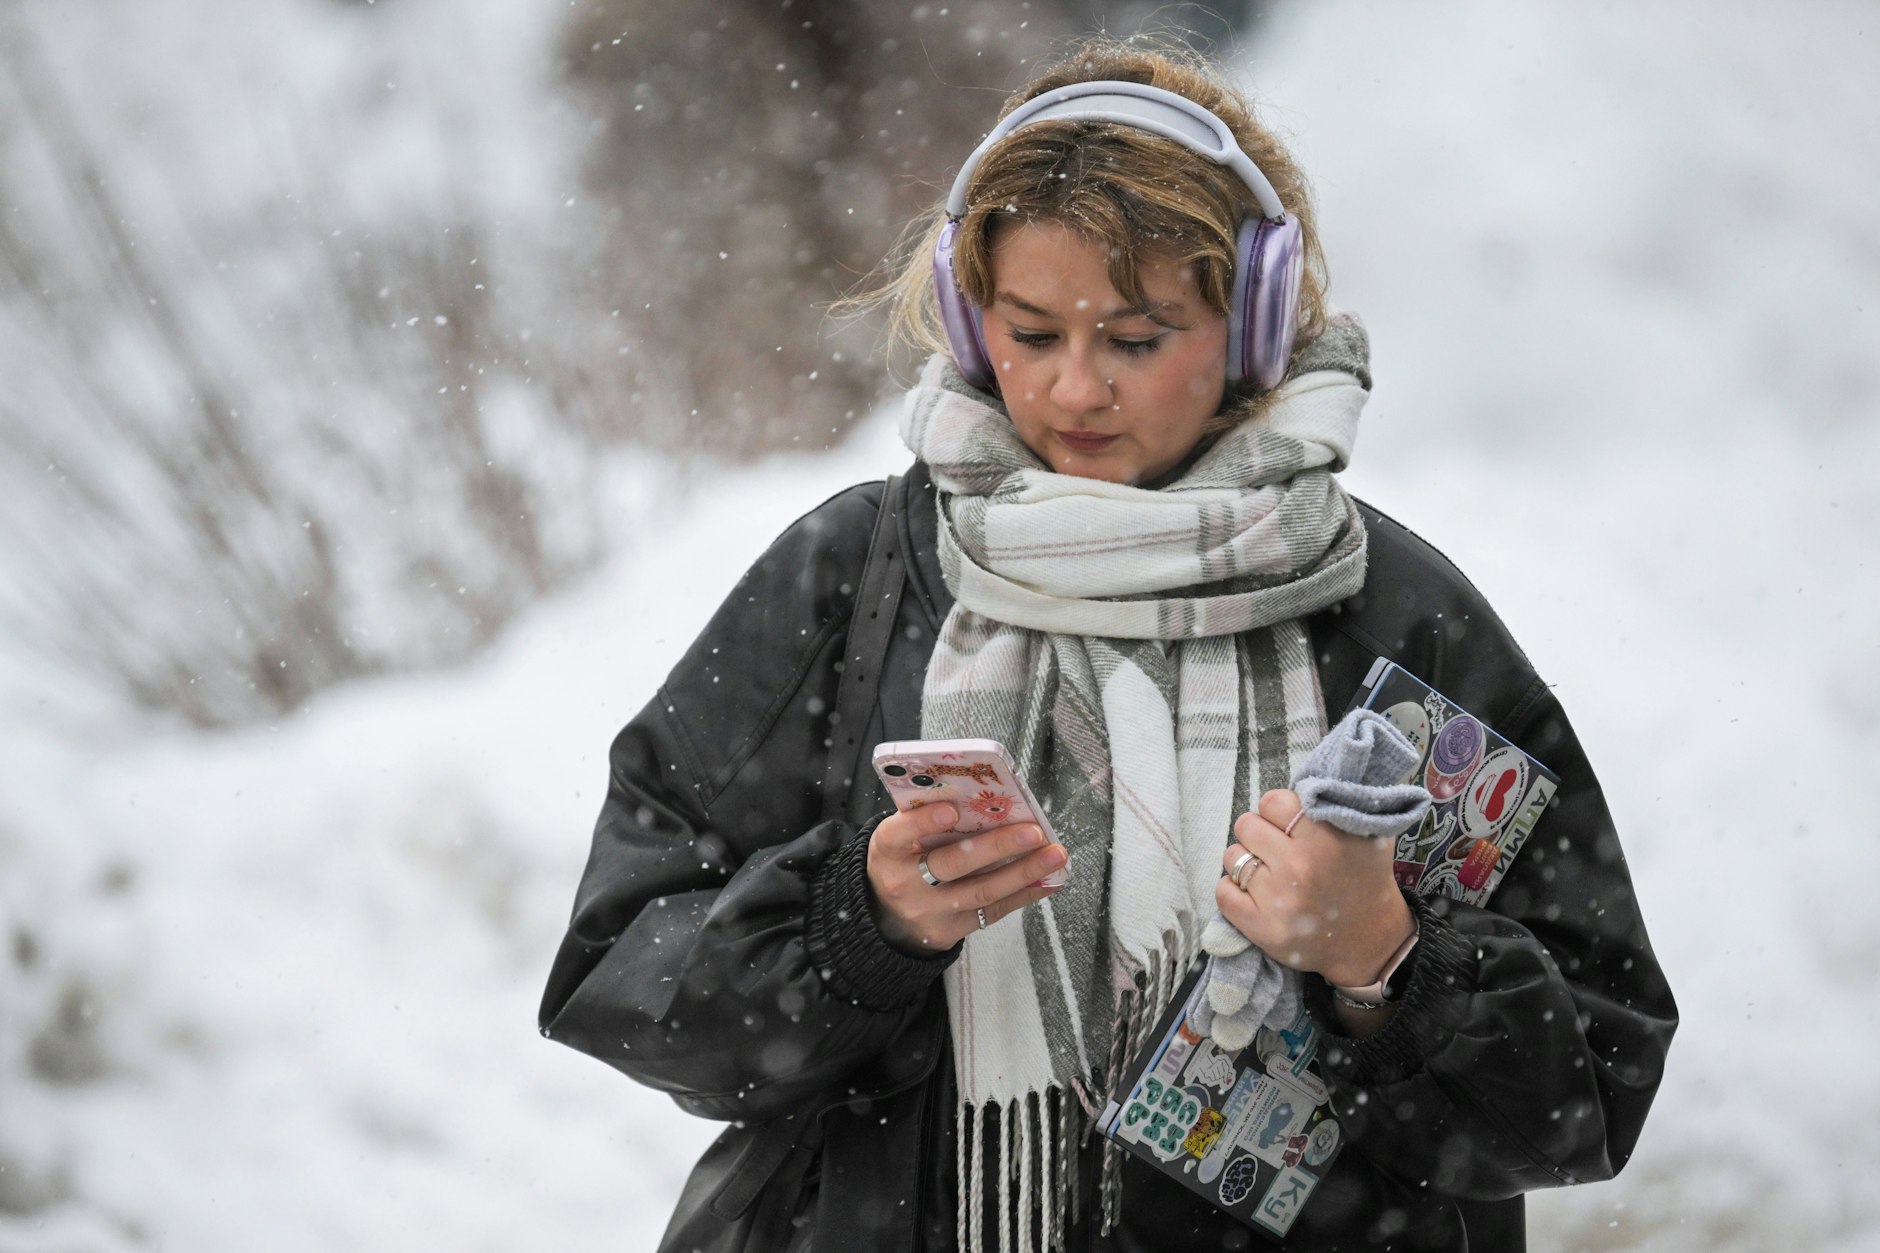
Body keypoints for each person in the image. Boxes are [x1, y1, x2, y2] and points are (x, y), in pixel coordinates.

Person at [539, 35, 1676, 1253]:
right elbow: (621, 968)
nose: (1074, 391)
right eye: (1029, 334)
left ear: (1250, 327)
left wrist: (1384, 962)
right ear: (972, 327)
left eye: (1133, 339)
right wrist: (855, 922)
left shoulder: (1390, 610)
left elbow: (1584, 1092)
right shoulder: (851, 579)